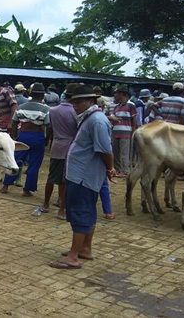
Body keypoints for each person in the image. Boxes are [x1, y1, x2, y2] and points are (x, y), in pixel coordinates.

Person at [49, 84, 114, 270]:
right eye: (74, 101)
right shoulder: (91, 118)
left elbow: (105, 149)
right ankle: (85, 248)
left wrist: (110, 169)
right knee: (87, 212)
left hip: (83, 176)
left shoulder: (97, 121)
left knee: (80, 213)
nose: (75, 105)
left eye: (79, 101)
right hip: (82, 174)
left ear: (91, 101)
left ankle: (73, 256)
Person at [1, 83, 50, 196]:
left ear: (30, 94)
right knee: (34, 164)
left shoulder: (21, 107)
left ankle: (5, 185)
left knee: (16, 160)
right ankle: (27, 190)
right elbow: (48, 125)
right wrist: (46, 139)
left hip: (23, 135)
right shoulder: (46, 109)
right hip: (37, 136)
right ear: (42, 95)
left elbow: (14, 122)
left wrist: (14, 136)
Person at [40, 83, 78, 218]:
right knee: (64, 180)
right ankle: (61, 208)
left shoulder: (53, 110)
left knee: (51, 177)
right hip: (69, 147)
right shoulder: (75, 112)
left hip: (56, 145)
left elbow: (49, 129)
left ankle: (45, 204)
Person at [106, 85, 137, 177]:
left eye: (117, 93)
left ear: (122, 94)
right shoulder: (116, 106)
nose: (115, 95)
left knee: (124, 153)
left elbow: (134, 120)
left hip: (126, 132)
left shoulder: (131, 105)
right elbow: (112, 117)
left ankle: (125, 171)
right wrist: (112, 118)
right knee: (116, 152)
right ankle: (118, 170)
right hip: (116, 132)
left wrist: (133, 132)